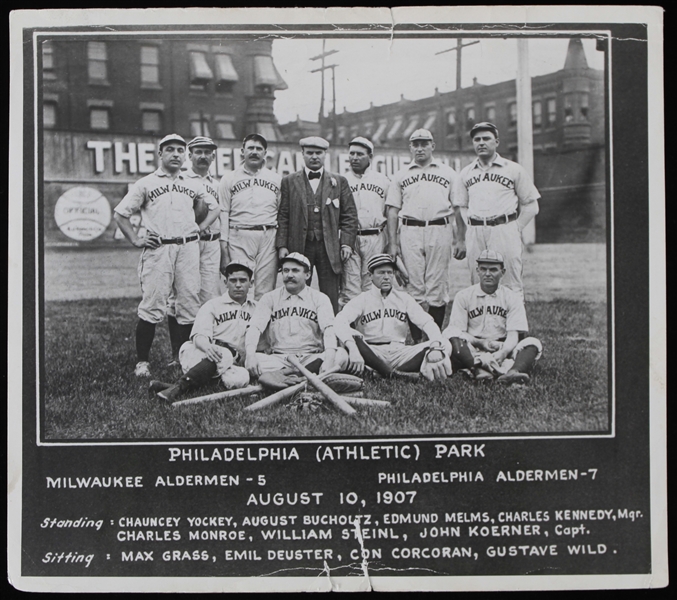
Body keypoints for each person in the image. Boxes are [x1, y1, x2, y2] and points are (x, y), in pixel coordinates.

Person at [113, 133, 220, 378]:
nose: (175, 154)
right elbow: (121, 214)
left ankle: (183, 358)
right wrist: (136, 239)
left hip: (188, 248)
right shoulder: (146, 183)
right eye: (170, 149)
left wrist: (200, 228)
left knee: (188, 304)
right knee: (153, 304)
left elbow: (215, 207)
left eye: (180, 150)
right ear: (159, 154)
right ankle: (142, 362)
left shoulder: (193, 182)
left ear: (185, 156)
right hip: (159, 249)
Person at [385, 128, 466, 337]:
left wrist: (460, 239)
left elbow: (458, 208)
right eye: (416, 144)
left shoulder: (448, 173)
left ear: (433, 146)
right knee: (413, 288)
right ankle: (418, 343)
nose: (420, 148)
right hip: (410, 229)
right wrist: (392, 243)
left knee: (437, 287)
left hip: (440, 228)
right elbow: (392, 211)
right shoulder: (400, 175)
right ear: (410, 147)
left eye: (424, 143)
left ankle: (434, 339)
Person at [149, 261, 256, 402]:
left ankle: (175, 387)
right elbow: (199, 336)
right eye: (233, 280)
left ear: (251, 283)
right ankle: (180, 388)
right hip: (202, 353)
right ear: (225, 282)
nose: (237, 285)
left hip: (231, 363)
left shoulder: (257, 309)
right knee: (221, 354)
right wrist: (209, 347)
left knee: (240, 378)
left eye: (243, 280)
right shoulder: (212, 305)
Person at [334, 254, 452, 381]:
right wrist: (352, 348)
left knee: (444, 343)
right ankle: (397, 375)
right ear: (370, 276)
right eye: (381, 273)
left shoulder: (404, 298)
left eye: (390, 273)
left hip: (399, 352)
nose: (386, 277)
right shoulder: (362, 299)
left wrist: (434, 345)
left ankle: (383, 374)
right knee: (351, 337)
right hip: (372, 352)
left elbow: (427, 322)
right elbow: (339, 321)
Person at [456, 122, 540, 299]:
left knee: (510, 283)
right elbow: (462, 205)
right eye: (477, 139)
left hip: (504, 229)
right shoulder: (466, 173)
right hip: (476, 231)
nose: (481, 143)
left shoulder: (513, 169)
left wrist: (515, 227)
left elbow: (531, 205)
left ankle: (513, 326)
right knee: (478, 283)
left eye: (486, 138)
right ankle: (483, 325)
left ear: (497, 142)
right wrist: (471, 226)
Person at [276, 136, 359, 314]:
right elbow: (283, 215)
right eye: (310, 153)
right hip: (299, 244)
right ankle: (299, 329)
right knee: (298, 289)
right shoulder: (289, 181)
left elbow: (349, 215)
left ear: (325, 155)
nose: (314, 157)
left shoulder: (338, 181)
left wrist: (346, 243)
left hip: (328, 248)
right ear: (302, 154)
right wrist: (282, 245)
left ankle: (331, 332)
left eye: (318, 153)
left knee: (330, 293)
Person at [443, 250, 542, 384]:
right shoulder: (464, 296)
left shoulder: (512, 297)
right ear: (477, 271)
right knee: (450, 332)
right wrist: (480, 343)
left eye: (493, 269)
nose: (488, 274)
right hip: (473, 347)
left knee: (533, 342)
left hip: (501, 346)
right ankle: (476, 368)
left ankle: (513, 372)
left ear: (503, 272)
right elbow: (458, 332)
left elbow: (513, 335)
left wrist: (504, 352)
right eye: (483, 269)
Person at [165, 135, 222, 365]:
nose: (203, 156)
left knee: (209, 297)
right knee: (180, 297)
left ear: (213, 156)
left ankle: (208, 350)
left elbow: (222, 216)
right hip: (187, 243)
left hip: (212, 243)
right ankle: (178, 354)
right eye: (198, 151)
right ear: (189, 155)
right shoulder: (180, 180)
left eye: (207, 152)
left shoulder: (218, 184)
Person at [244, 252, 348, 378]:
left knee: (340, 355)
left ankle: (285, 376)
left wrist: (329, 359)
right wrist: (250, 356)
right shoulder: (269, 298)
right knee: (253, 359)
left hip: (311, 356)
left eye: (295, 271)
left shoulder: (320, 298)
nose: (289, 275)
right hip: (280, 358)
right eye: (286, 270)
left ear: (307, 275)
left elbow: (329, 330)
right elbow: (255, 328)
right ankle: (308, 375)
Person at [218, 133, 282, 300]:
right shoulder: (229, 178)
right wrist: (224, 250)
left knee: (265, 291)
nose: (254, 152)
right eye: (250, 148)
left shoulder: (275, 179)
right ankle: (240, 326)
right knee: (241, 288)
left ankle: (262, 326)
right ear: (242, 151)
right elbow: (223, 213)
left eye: (259, 149)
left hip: (268, 236)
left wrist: (282, 245)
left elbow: (282, 214)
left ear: (265, 153)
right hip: (239, 235)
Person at [339, 136, 391, 308]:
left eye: (360, 154)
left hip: (375, 235)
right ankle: (352, 332)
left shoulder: (383, 181)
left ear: (370, 157)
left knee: (372, 285)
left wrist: (391, 242)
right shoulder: (340, 180)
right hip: (350, 238)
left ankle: (371, 330)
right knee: (350, 287)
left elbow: (390, 213)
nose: (354, 157)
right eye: (352, 153)